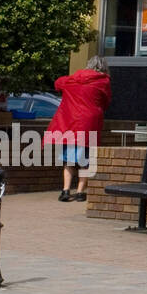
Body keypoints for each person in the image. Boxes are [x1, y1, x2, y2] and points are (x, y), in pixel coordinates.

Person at [47, 56, 111, 202]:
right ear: (104, 67)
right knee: (85, 159)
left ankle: (65, 190)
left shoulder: (72, 79)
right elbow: (106, 101)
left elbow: (57, 83)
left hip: (71, 122)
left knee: (68, 159)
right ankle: (81, 192)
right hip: (89, 123)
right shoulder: (103, 81)